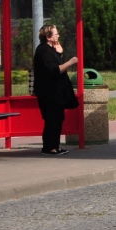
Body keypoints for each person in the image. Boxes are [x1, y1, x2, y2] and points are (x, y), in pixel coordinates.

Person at [32, 24, 79, 155]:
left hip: (56, 92)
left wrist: (60, 53)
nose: (58, 36)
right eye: (55, 34)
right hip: (49, 92)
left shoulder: (49, 49)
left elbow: (56, 64)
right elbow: (54, 70)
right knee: (52, 119)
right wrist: (70, 62)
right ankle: (49, 147)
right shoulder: (43, 50)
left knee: (58, 118)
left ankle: (56, 146)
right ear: (48, 37)